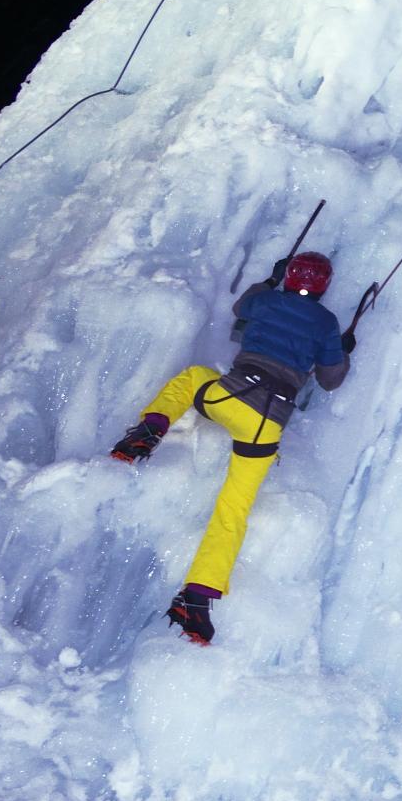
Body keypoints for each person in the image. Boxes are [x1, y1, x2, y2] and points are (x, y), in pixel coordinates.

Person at [109, 252, 353, 644]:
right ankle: (196, 600)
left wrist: (269, 282)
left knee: (192, 379)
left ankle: (147, 433)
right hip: (265, 425)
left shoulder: (269, 300)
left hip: (231, 395)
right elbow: (330, 380)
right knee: (232, 512)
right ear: (324, 287)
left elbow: (242, 307)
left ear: (290, 277)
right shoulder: (326, 323)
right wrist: (344, 350)